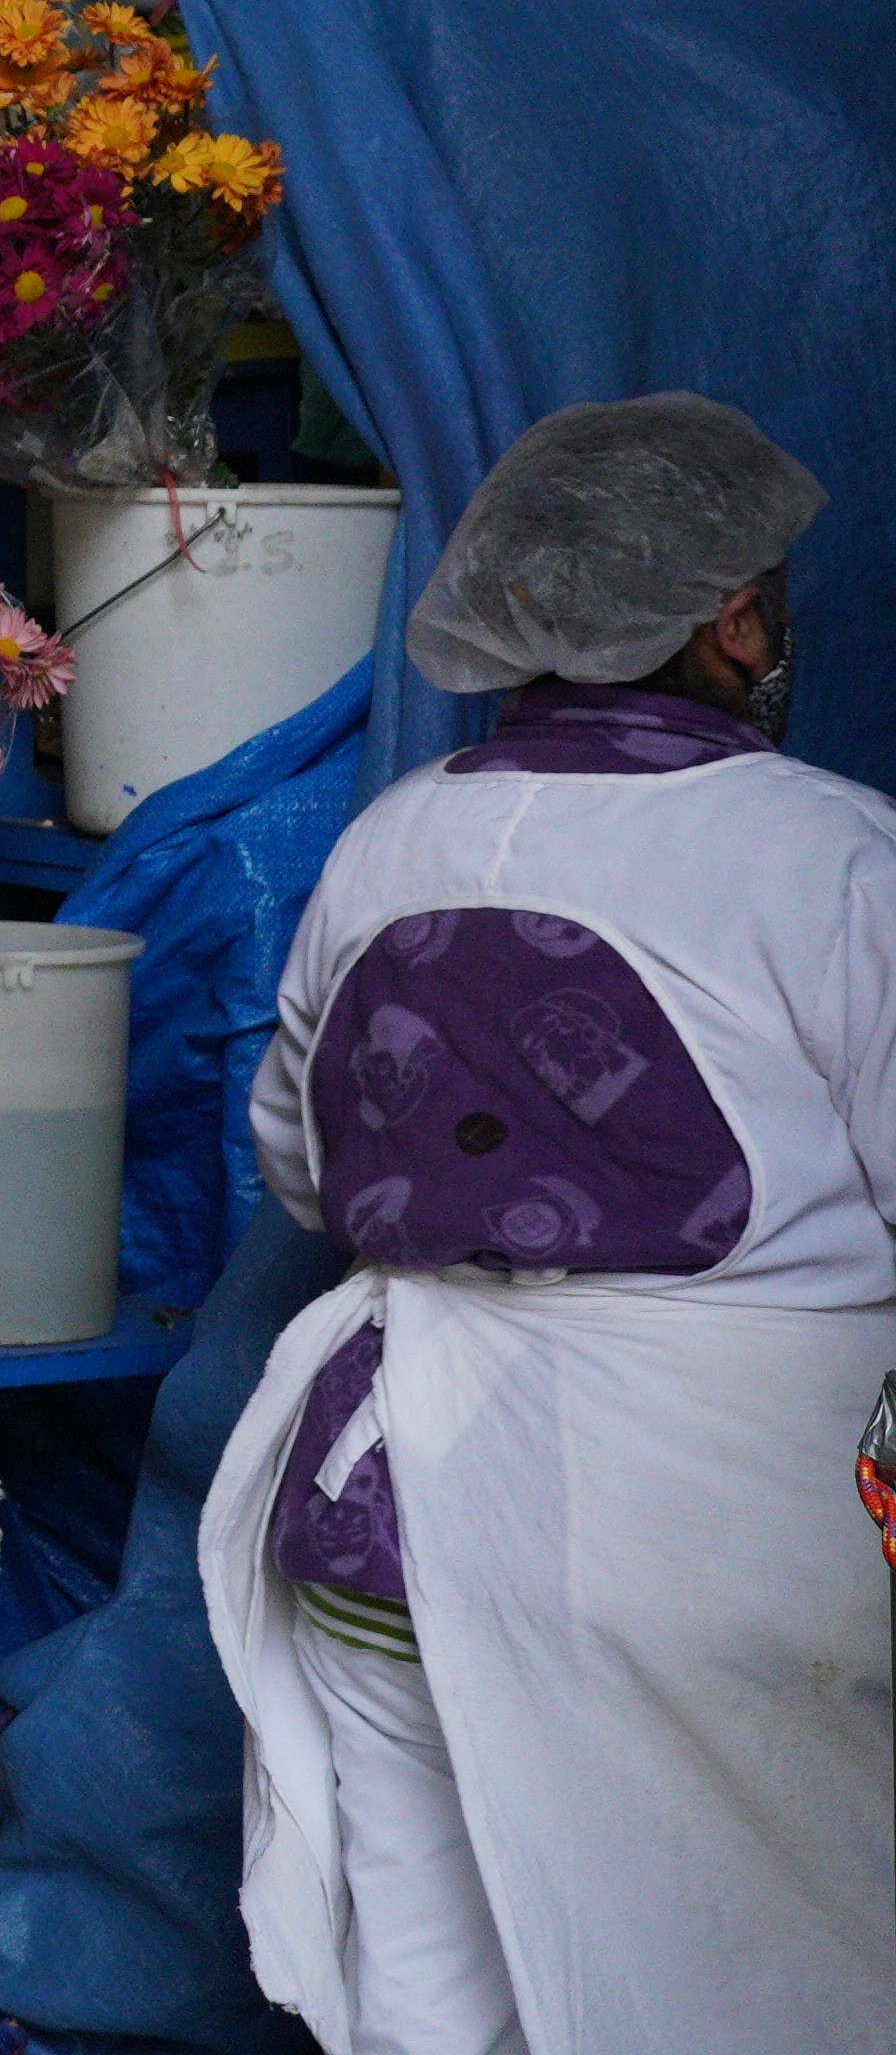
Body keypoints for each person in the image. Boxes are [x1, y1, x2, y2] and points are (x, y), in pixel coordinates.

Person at [205, 395, 896, 2055]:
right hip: (720, 1562)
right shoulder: (833, 856)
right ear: (733, 619)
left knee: (425, 2018)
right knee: (763, 2000)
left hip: (391, 1530)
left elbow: (301, 1171)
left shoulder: (390, 839)